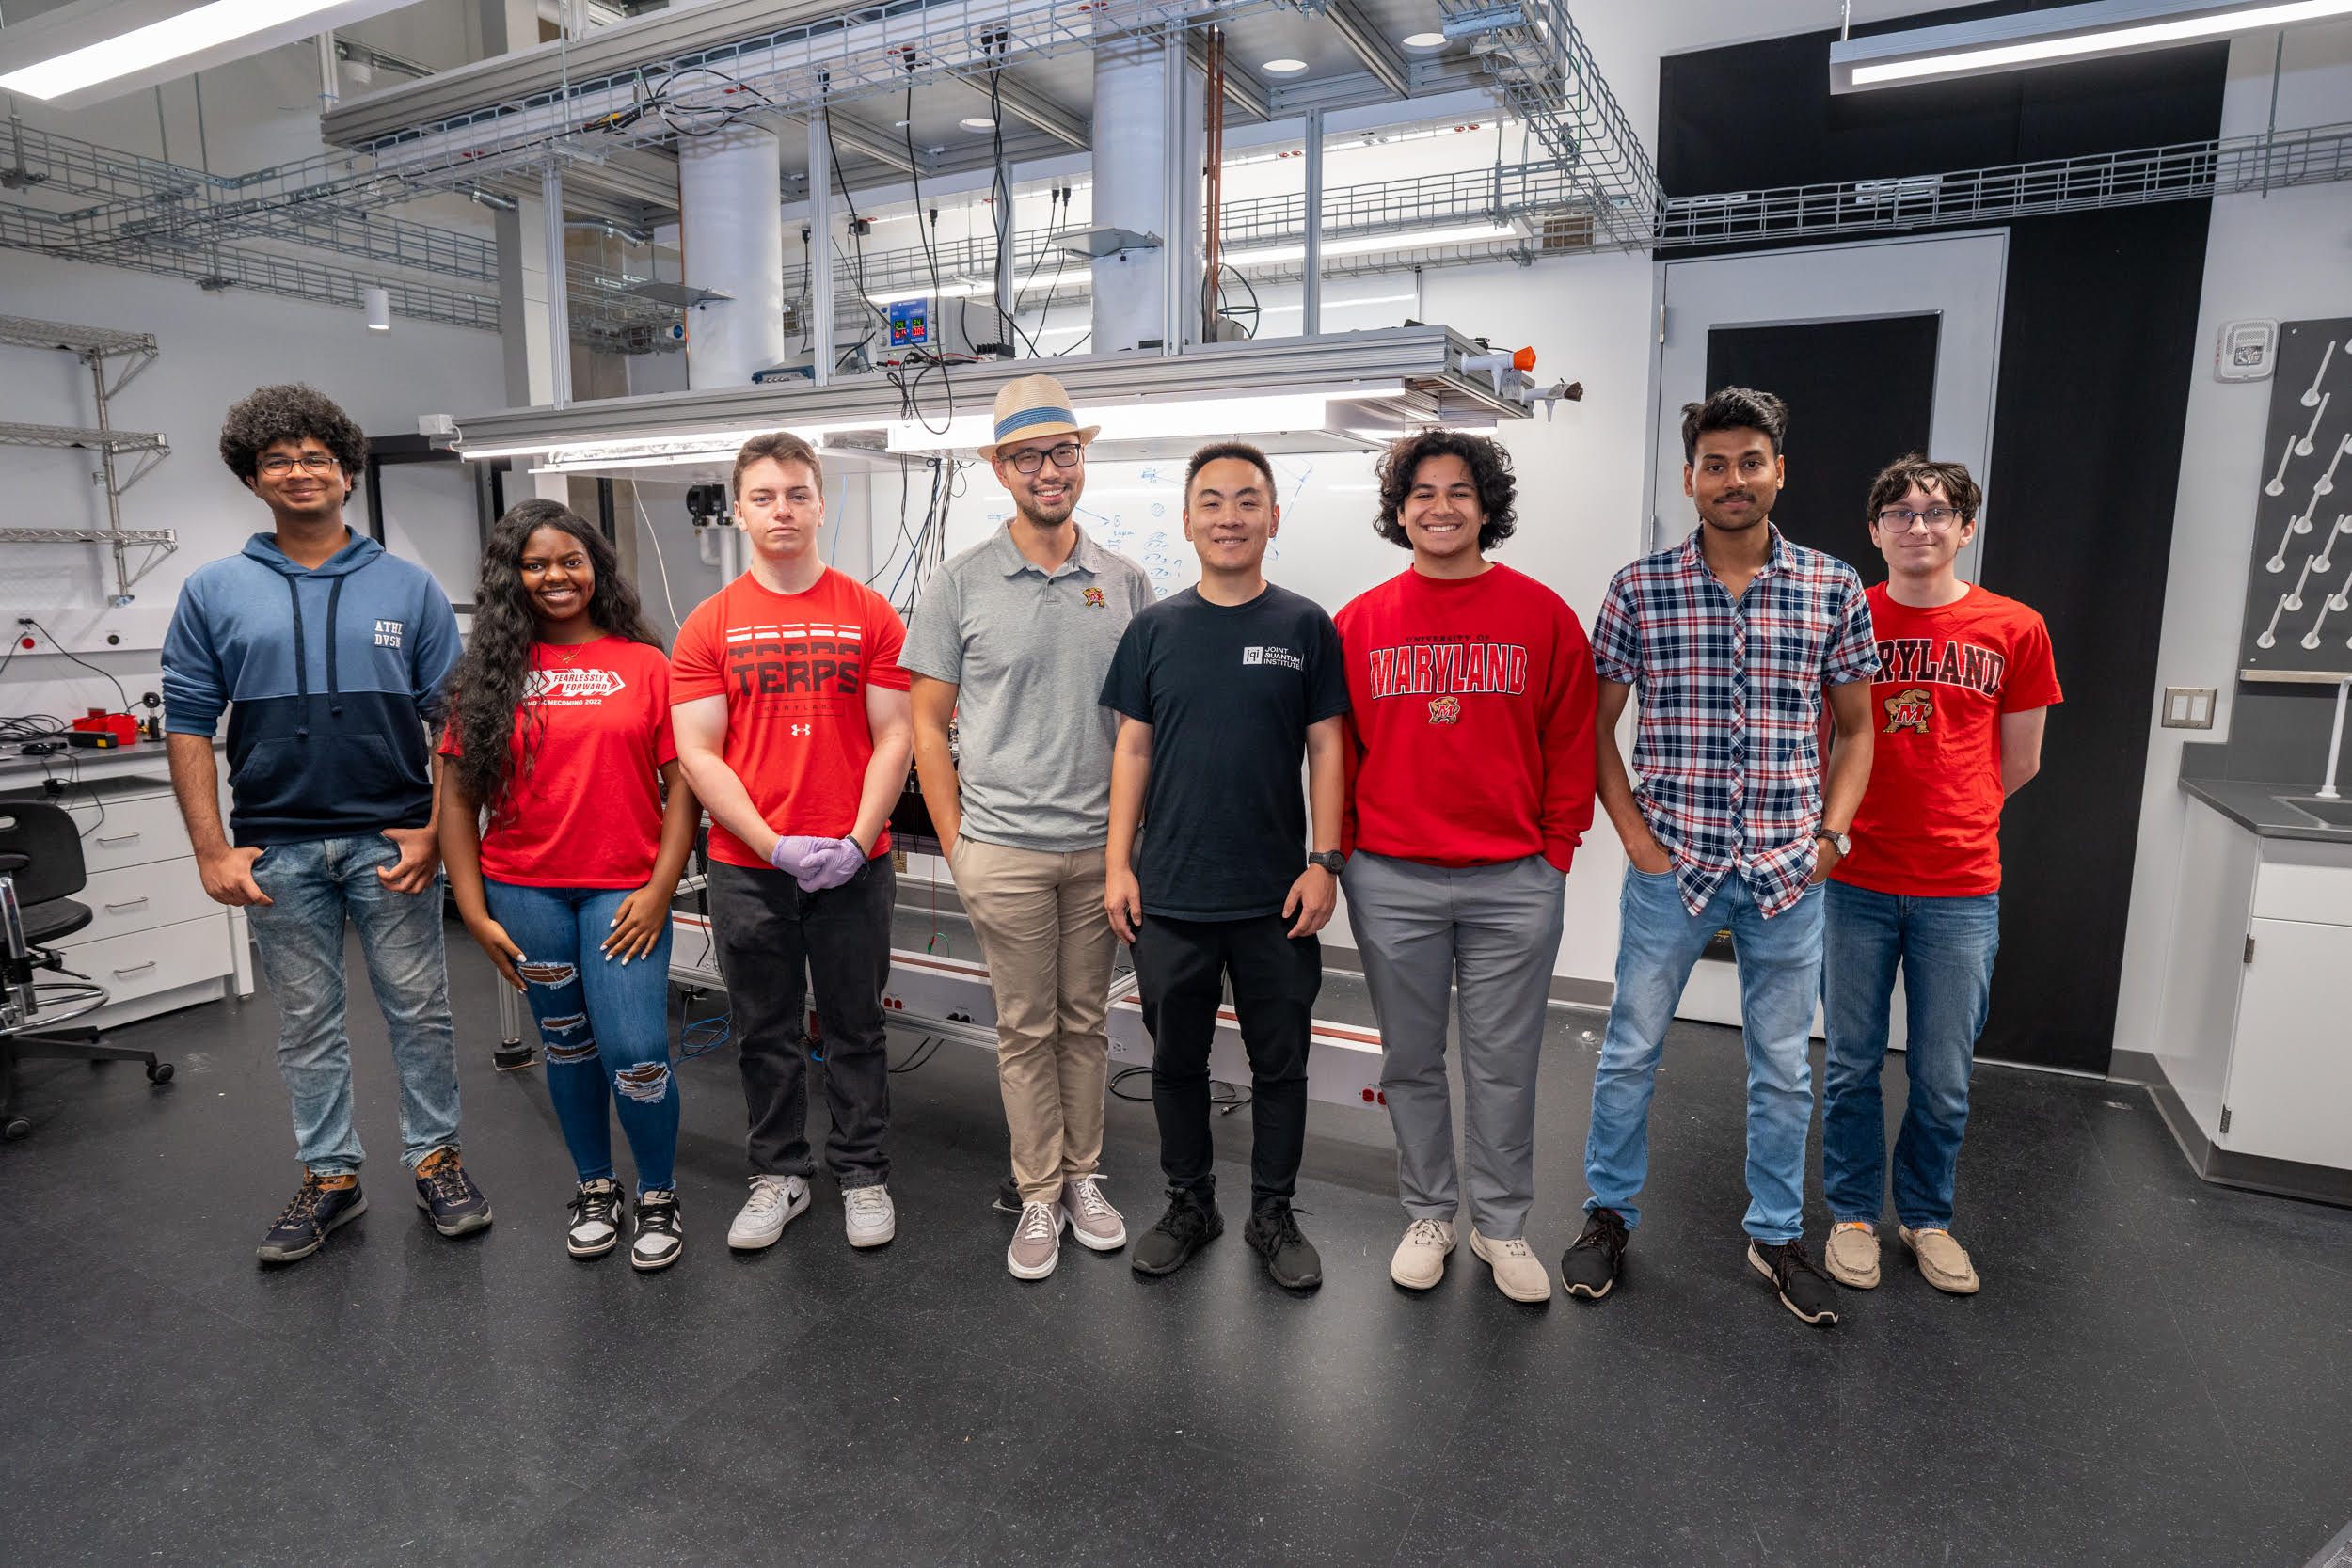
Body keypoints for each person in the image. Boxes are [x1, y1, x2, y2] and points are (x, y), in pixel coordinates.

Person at [1565, 386, 1877, 1327]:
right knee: (1628, 1052)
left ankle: (1775, 1231)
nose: (1732, 479)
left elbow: (1858, 731)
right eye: (1714, 464)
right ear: (1690, 477)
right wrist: (1631, 836)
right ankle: (1607, 1215)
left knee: (1782, 1067)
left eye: (1750, 462)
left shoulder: (1832, 587)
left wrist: (1832, 836)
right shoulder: (1639, 587)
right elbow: (1592, 724)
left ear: (1777, 470)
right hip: (1674, 866)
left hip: (1788, 872)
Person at [163, 384, 488, 1264]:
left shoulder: (408, 587)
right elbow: (188, 722)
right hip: (276, 844)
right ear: (253, 478)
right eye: (279, 460)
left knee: (420, 1010)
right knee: (306, 1022)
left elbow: (451, 724)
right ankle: (332, 1177)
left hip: (391, 838)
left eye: (316, 457)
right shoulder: (215, 590)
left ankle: (437, 1159)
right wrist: (209, 848)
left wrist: (435, 831)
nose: (299, 471)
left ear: (346, 473)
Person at [1334, 430, 1597, 1304]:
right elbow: (1334, 751)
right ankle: (1428, 1212)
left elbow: (1571, 740)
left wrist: (1555, 852)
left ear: (1487, 507)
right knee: (1409, 1057)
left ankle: (1502, 1223)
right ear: (1398, 510)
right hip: (1393, 876)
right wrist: (1339, 851)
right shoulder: (1360, 621)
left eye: (1458, 491)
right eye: (1421, 492)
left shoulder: (1542, 614)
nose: (1439, 507)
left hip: (1514, 877)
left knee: (1504, 1060)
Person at [904, 376, 1155, 1281]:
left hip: (1099, 852)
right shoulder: (961, 582)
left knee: (1085, 1023)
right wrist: (959, 846)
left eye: (1062, 452)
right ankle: (1038, 1191)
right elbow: (925, 724)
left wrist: (1130, 849)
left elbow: (1140, 729)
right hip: (1002, 849)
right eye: (1027, 456)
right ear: (1002, 469)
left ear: (1081, 460)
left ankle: (1085, 1177)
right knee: (1024, 1025)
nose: (1048, 470)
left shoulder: (1126, 583)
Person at [1102, 441, 1350, 1291]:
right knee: (1175, 1062)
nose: (1230, 516)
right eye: (1212, 501)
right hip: (1171, 889)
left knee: (1282, 1064)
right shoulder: (1154, 629)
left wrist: (1325, 860)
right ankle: (1189, 1202)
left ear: (1274, 518)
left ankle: (1271, 1211)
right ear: (1187, 521)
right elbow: (1132, 748)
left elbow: (1327, 747)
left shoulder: (1304, 626)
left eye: (1248, 501)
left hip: (1276, 894)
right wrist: (1117, 866)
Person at [438, 500, 701, 1272]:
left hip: (624, 890)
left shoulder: (646, 663)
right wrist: (473, 908)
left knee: (636, 1050)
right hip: (525, 890)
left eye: (571, 560)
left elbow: (682, 787)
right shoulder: (486, 677)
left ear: (597, 567)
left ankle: (657, 1191)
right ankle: (595, 1186)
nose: (556, 576)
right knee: (568, 1045)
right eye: (536, 563)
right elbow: (455, 799)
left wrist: (661, 888)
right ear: (511, 577)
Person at [1820, 456, 2058, 1297]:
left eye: (1937, 511)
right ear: (1876, 529)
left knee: (1943, 1073)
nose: (1918, 525)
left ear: (1966, 527)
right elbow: (1825, 741)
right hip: (1855, 879)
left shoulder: (2015, 627)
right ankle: (1853, 1215)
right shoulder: (1847, 618)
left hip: (1960, 887)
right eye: (1899, 510)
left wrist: (1954, 807)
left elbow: (2019, 760)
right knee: (1850, 1063)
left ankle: (1927, 1218)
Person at [670, 431, 914, 1253]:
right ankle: (778, 1174)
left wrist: (858, 836)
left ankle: (863, 1171)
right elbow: (699, 753)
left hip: (854, 863)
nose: (782, 509)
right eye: (765, 496)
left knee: (856, 1025)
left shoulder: (870, 613)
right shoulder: (708, 624)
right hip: (750, 868)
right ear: (739, 510)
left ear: (820, 502)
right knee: (764, 1028)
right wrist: (772, 844)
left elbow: (895, 736)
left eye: (797, 493)